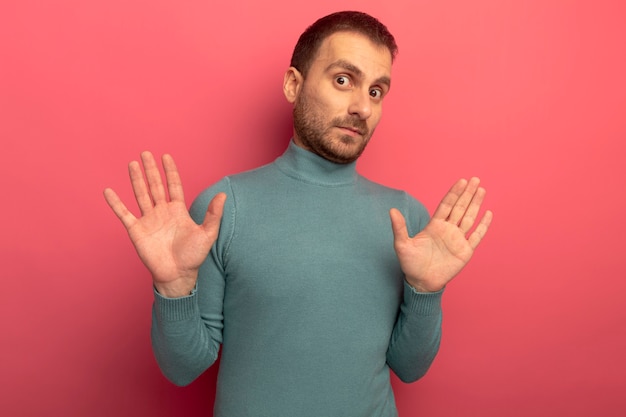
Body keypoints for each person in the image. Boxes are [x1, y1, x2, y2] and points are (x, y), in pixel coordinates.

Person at [104, 10, 492, 417]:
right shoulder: (224, 207)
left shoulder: (407, 218)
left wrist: (426, 293)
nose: (362, 106)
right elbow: (183, 369)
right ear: (294, 84)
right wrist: (173, 288)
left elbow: (409, 368)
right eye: (344, 80)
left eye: (377, 91)